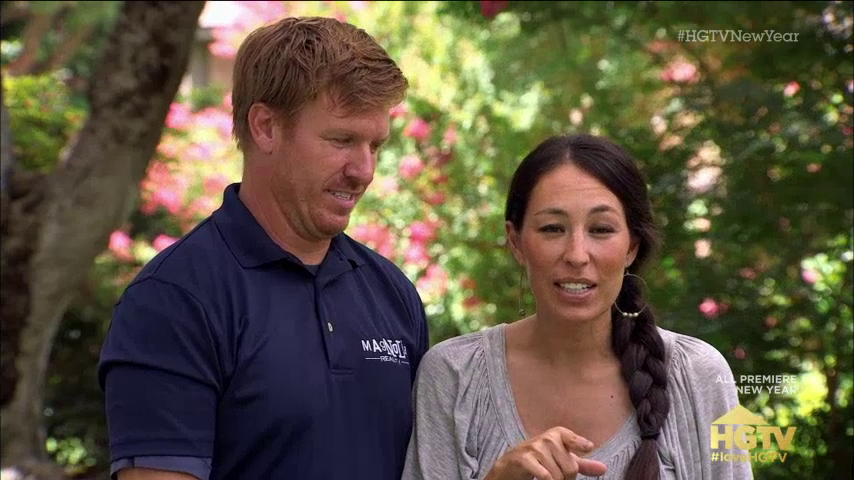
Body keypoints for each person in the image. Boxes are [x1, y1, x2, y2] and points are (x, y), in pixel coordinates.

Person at [98, 16, 430, 480]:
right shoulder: (173, 300)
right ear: (266, 127)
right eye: (342, 140)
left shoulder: (392, 293)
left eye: (375, 146)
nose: (364, 171)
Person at [401, 133, 753, 480]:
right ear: (516, 242)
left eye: (601, 229)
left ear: (632, 246)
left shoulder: (697, 375)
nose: (576, 255)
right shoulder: (454, 375)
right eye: (553, 228)